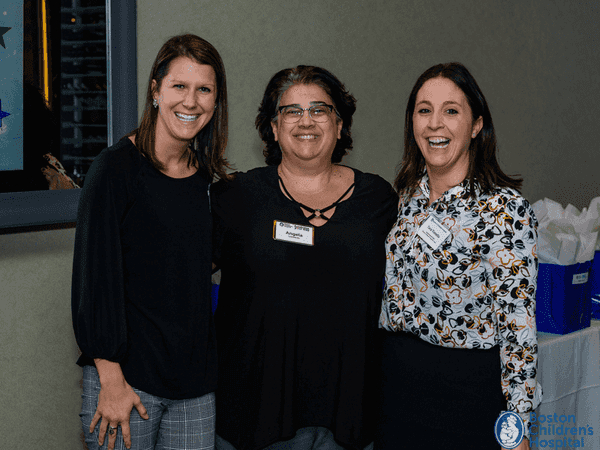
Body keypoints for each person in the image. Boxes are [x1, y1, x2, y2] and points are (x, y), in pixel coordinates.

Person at [211, 65, 398, 450]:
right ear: (274, 128)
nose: (306, 121)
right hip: (254, 415)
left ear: (340, 124)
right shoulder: (236, 198)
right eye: (291, 111)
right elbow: (175, 278)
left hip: (350, 416)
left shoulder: (378, 200)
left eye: (319, 109)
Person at [71, 34, 229, 450]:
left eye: (204, 89)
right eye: (179, 86)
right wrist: (110, 377)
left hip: (193, 388)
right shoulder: (115, 169)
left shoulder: (209, 180)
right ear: (156, 91)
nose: (191, 101)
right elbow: (94, 280)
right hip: (126, 382)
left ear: (216, 102)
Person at [376, 62, 542, 450]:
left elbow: (519, 329)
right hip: (396, 387)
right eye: (423, 110)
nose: (435, 124)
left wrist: (517, 426)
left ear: (477, 125)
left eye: (451, 111)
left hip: (466, 395)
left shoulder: (504, 209)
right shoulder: (407, 196)